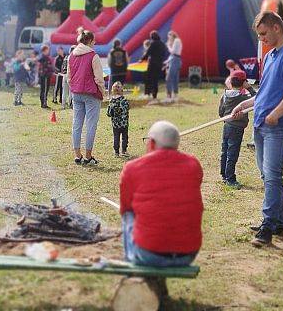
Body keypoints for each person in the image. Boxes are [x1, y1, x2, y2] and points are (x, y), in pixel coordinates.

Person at [231, 11, 283, 247]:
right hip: (260, 125)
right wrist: (245, 104)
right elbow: (265, 92)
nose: (262, 39)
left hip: (279, 126)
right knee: (268, 177)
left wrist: (276, 114)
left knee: (273, 176)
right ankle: (279, 224)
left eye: (264, 34)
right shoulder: (270, 55)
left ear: (276, 27)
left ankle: (267, 226)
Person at [120, 121, 202, 267]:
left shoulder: (132, 168)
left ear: (151, 143)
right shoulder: (193, 165)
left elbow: (126, 206)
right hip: (187, 255)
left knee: (128, 214)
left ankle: (131, 264)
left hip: (149, 254)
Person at [67, 28, 106, 165]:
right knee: (91, 125)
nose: (95, 43)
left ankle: (78, 155)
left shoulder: (71, 55)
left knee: (76, 124)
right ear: (89, 41)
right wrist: (103, 92)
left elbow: (69, 77)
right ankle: (88, 157)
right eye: (93, 41)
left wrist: (72, 90)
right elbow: (99, 79)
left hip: (76, 93)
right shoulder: (93, 56)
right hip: (91, 94)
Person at [218, 69, 256, 188]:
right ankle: (230, 179)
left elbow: (221, 112)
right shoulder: (244, 97)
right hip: (237, 128)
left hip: (227, 126)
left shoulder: (225, 95)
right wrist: (249, 87)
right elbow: (258, 98)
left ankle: (224, 174)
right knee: (232, 153)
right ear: (244, 82)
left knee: (225, 151)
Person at [141, 31, 165, 104]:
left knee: (149, 79)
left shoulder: (153, 43)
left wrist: (141, 59)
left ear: (152, 37)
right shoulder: (162, 44)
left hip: (152, 65)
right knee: (155, 81)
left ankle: (148, 94)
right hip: (159, 64)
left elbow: (148, 53)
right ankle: (154, 96)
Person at [107, 81, 130, 157]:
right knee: (124, 137)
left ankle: (116, 152)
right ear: (122, 90)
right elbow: (127, 108)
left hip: (115, 124)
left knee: (116, 137)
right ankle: (124, 151)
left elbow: (108, 113)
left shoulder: (111, 101)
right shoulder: (124, 100)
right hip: (124, 123)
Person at [163, 31, 182, 103]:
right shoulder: (177, 41)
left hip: (175, 60)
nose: (169, 39)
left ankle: (169, 96)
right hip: (175, 60)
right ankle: (175, 95)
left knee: (169, 78)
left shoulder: (177, 40)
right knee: (175, 79)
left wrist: (168, 45)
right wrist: (166, 62)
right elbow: (172, 55)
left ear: (172, 35)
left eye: (169, 37)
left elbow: (173, 52)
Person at [37, 45, 54, 109]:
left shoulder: (46, 57)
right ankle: (43, 103)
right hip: (45, 76)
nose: (48, 51)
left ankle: (44, 103)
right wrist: (52, 69)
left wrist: (53, 70)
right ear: (44, 51)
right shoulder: (42, 57)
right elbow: (46, 66)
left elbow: (50, 66)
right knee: (44, 90)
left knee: (45, 90)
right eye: (47, 50)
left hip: (46, 75)